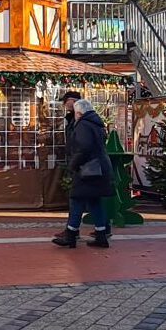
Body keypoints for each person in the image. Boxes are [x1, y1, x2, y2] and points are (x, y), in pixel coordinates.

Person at [53, 99, 113, 248]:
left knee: (76, 200)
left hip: (87, 170)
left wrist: (73, 165)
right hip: (99, 168)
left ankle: (70, 235)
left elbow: (84, 148)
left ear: (79, 112)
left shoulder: (83, 125)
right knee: (94, 201)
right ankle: (101, 235)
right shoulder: (96, 124)